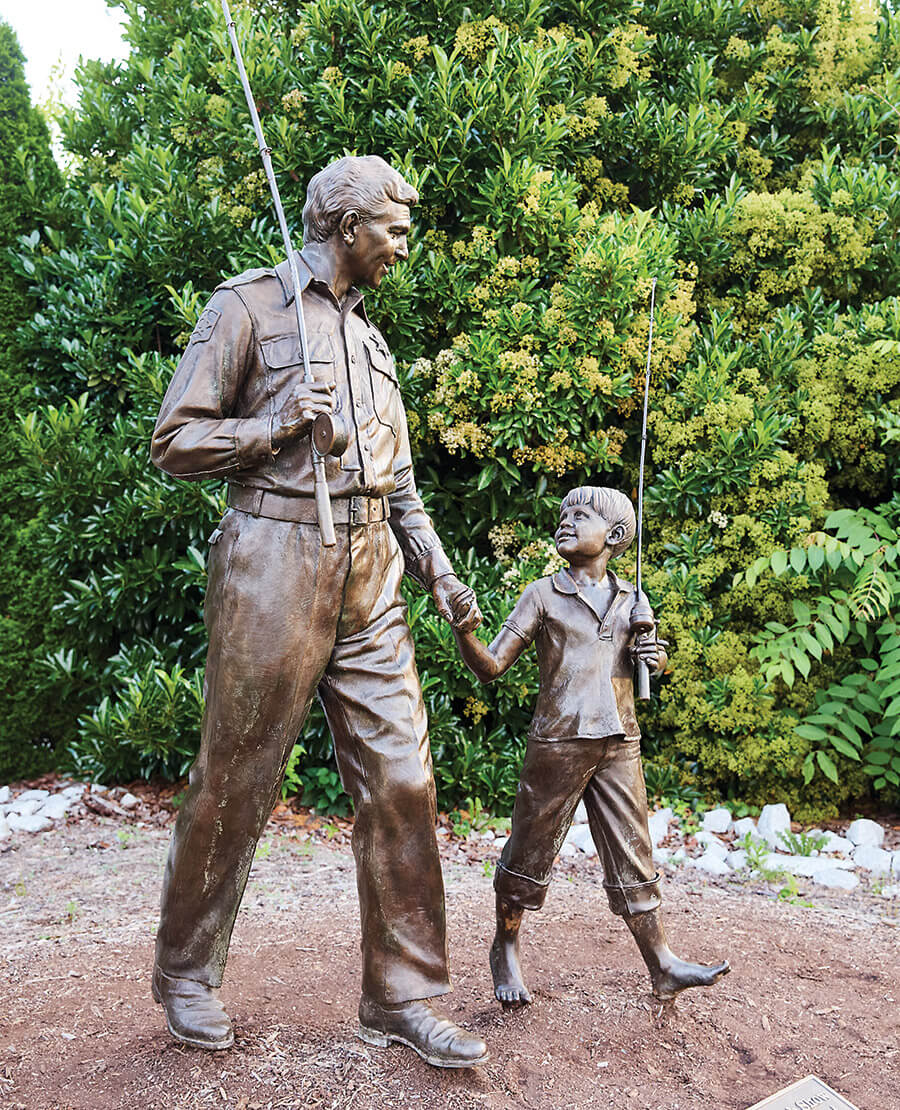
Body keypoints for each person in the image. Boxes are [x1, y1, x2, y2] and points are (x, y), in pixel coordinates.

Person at [149, 155, 488, 1067]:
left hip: (372, 570)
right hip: (273, 561)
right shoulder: (248, 309)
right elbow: (174, 440)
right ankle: (186, 970)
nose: (404, 248)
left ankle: (404, 994)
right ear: (346, 227)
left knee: (403, 779)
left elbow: (401, 483)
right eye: (395, 230)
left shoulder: (374, 345)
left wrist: (441, 575)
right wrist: (273, 426)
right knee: (237, 777)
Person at [452, 486, 729, 1008]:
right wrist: (466, 633)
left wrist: (656, 656)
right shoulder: (542, 595)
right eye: (563, 514)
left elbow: (644, 665)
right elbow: (490, 667)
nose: (566, 521)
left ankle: (662, 963)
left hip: (620, 741)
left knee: (633, 852)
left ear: (616, 537)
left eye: (581, 515)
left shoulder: (634, 598)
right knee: (529, 850)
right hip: (558, 741)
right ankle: (505, 945)